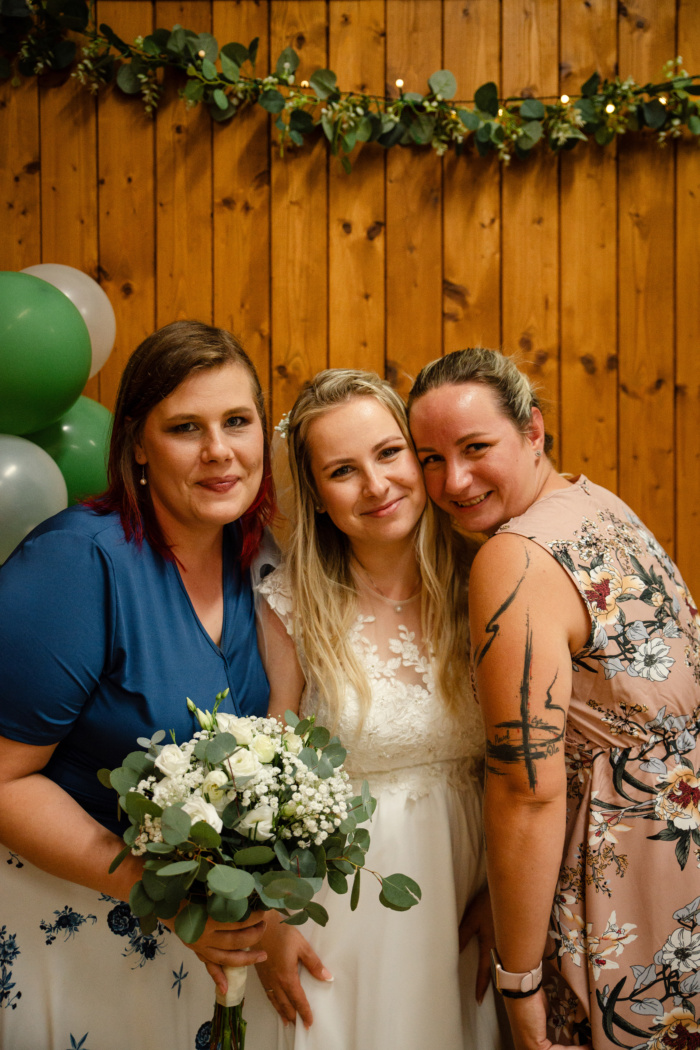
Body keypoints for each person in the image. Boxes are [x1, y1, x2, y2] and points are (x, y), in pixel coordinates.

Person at [408, 347, 700, 1050]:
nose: (454, 480)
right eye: (430, 459)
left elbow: (526, 790)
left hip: (623, 882)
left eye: (476, 448)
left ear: (532, 430)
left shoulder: (513, 557)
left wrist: (518, 983)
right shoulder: (597, 502)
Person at [0, 320, 278, 1050]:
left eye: (237, 421)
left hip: (195, 944)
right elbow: (2, 780)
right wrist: (162, 894)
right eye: (186, 428)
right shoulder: (77, 563)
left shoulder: (258, 558)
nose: (219, 451)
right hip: (73, 925)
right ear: (138, 446)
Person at [244, 369, 506, 1050]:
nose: (376, 485)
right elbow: (275, 770)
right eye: (342, 471)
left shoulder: (486, 579)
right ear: (316, 497)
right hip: (344, 906)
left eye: (390, 454)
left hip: (469, 896)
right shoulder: (291, 605)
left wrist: (506, 893)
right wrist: (272, 915)